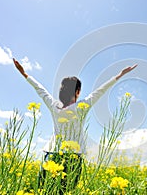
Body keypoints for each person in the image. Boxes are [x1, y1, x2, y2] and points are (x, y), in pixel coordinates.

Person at [13, 58, 137, 192]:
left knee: (45, 190)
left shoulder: (54, 106)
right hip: (74, 156)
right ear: (77, 91)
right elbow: (100, 91)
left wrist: (24, 73)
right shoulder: (82, 106)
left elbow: (40, 90)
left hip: (52, 153)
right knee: (67, 191)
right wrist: (119, 75)